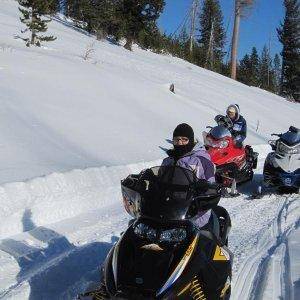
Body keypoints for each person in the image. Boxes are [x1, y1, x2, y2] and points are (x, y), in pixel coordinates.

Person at [161, 123, 215, 228]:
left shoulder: (201, 161)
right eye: (176, 140)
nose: (180, 143)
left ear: (190, 140)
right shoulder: (168, 161)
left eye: (184, 139)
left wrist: (198, 214)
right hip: (168, 210)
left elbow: (210, 189)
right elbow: (159, 183)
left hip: (192, 213)